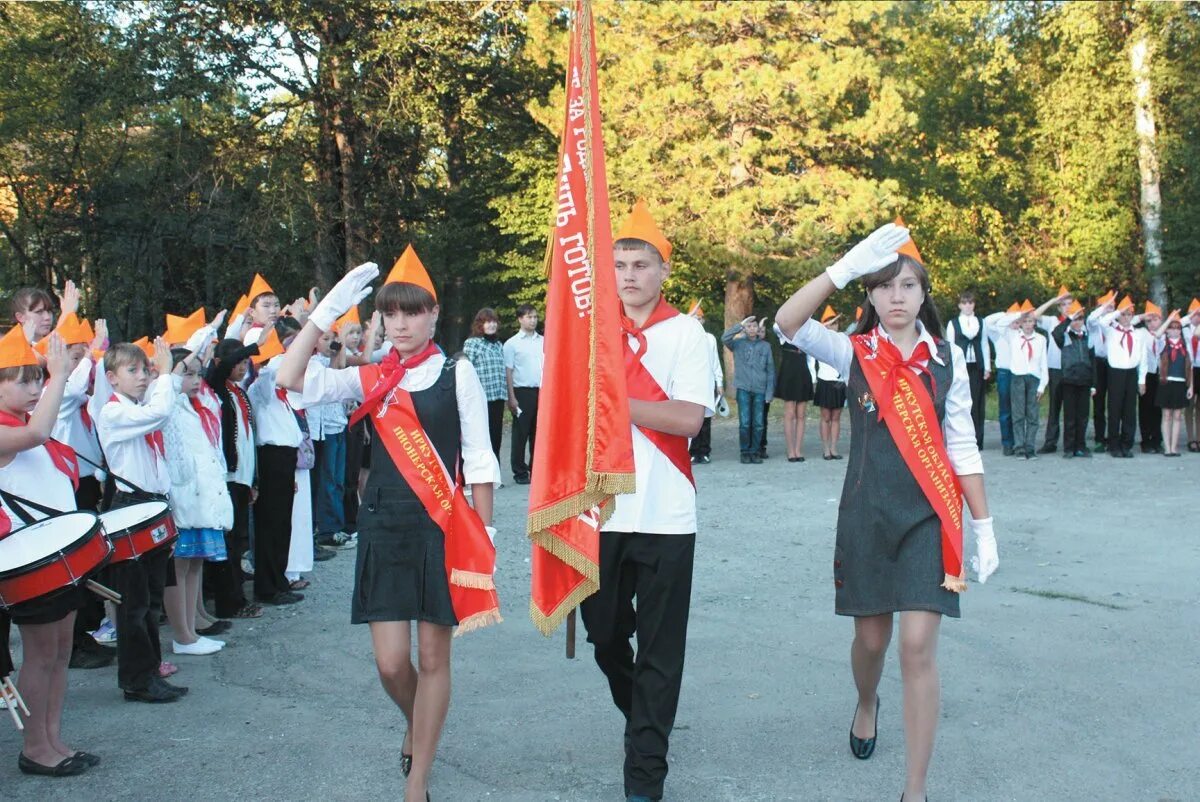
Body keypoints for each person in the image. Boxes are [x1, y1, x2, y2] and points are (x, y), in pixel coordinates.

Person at [774, 222, 997, 802]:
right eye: (883, 286)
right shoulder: (851, 350)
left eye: (907, 285)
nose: (896, 297)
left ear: (925, 294)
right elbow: (787, 323)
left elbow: (963, 446)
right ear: (869, 296)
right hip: (866, 515)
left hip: (928, 519)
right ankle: (866, 701)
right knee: (872, 642)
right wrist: (840, 269)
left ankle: (915, 791)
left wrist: (984, 524)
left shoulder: (948, 362)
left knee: (917, 646)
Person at [275, 250, 500, 802]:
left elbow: (480, 461)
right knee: (392, 662)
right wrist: (325, 312)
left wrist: (484, 540)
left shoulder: (458, 372)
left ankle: (418, 777)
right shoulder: (370, 376)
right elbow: (289, 376)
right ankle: (417, 720)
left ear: (432, 315)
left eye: (412, 313)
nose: (401, 324)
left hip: (441, 526)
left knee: (433, 656)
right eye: (391, 314)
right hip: (382, 526)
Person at [577, 201, 710, 802]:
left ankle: (644, 775)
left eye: (640, 264)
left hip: (665, 514)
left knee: (661, 651)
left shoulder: (688, 334)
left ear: (662, 272)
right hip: (599, 513)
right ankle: (644, 720)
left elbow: (686, 419)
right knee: (604, 635)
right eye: (619, 265)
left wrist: (612, 400)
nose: (628, 275)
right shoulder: (587, 334)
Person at [0, 328, 100, 775]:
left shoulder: (21, 423)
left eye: (37, 379)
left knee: (60, 652)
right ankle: (35, 748)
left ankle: (54, 738)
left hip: (59, 559)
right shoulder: (9, 431)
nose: (35, 388)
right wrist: (61, 373)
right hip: (30, 566)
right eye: (22, 381)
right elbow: (41, 432)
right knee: (40, 655)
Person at [95, 338, 190, 702]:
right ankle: (136, 679)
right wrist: (165, 373)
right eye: (132, 371)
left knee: (150, 596)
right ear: (111, 378)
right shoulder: (113, 413)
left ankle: (151, 671)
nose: (142, 377)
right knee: (133, 601)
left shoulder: (136, 406)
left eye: (144, 370)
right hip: (130, 506)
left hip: (150, 505)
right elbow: (159, 413)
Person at [162, 344, 231, 656]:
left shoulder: (197, 404)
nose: (195, 380)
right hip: (182, 497)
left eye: (197, 374)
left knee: (194, 564)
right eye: (187, 373)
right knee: (179, 566)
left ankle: (192, 626)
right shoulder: (168, 404)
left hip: (202, 496)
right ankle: (182, 634)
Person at [245, 323, 305, 605]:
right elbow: (273, 369)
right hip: (272, 457)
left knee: (282, 524)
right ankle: (267, 586)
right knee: (271, 525)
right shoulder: (261, 386)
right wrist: (272, 348)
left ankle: (279, 580)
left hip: (284, 458)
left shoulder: (278, 391)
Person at [204, 338, 263, 619]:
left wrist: (253, 481)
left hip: (241, 476)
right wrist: (254, 344)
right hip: (227, 476)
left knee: (239, 540)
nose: (243, 366)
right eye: (238, 362)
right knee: (229, 541)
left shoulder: (239, 391)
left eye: (245, 362)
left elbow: (249, 438)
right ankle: (229, 602)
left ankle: (237, 597)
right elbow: (219, 367)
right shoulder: (216, 388)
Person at [1088, 297, 1150, 458]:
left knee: (1129, 411)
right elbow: (1099, 321)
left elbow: (1142, 357)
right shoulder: (1111, 330)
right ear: (1118, 316)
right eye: (1123, 314)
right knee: (1114, 409)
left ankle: (1126, 444)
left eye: (1129, 314)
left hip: (1131, 372)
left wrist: (1141, 380)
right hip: (1115, 372)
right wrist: (1116, 311)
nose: (1126, 317)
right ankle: (1114, 444)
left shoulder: (1138, 334)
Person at [722, 315, 775, 464]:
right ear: (745, 328)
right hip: (743, 388)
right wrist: (740, 325)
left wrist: (769, 392)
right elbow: (725, 338)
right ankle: (744, 452)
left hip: (760, 389)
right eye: (749, 326)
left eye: (754, 326)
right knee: (745, 422)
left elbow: (770, 370)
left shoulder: (765, 346)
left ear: (758, 329)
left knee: (758, 423)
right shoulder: (738, 344)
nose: (752, 329)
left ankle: (755, 451)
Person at [944, 291, 990, 449]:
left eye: (970, 303)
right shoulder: (954, 323)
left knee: (977, 403)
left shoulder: (981, 322)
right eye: (964, 303)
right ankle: (961, 438)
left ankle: (978, 439)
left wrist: (987, 367)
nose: (968, 306)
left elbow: (984, 344)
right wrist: (950, 368)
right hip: (960, 366)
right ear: (960, 306)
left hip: (977, 365)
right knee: (960, 401)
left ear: (974, 305)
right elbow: (949, 346)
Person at [1051, 302, 1096, 458]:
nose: (1078, 322)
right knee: (1070, 416)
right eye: (1075, 319)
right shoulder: (1065, 336)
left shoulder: (1088, 338)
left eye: (1080, 318)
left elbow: (1093, 361)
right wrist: (1068, 319)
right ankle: (1069, 447)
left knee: (1083, 416)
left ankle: (1081, 446)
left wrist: (1093, 384)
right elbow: (1055, 332)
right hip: (1069, 380)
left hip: (1084, 380)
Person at [504, 303, 543, 484]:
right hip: (521, 391)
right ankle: (519, 471)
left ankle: (536, 469)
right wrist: (511, 396)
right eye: (529, 317)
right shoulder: (512, 344)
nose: (533, 320)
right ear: (520, 319)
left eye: (535, 317)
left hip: (541, 391)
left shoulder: (543, 341)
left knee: (539, 433)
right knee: (521, 433)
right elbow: (509, 371)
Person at [462, 308, 507, 459]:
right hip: (480, 399)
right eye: (487, 322)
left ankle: (496, 476)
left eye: (494, 321)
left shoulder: (498, 345)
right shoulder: (472, 343)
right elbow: (465, 370)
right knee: (482, 438)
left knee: (496, 438)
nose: (491, 325)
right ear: (480, 324)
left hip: (498, 398)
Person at [1006, 308, 1049, 459]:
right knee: (1018, 414)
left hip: (1034, 378)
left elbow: (1044, 363)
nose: (1028, 324)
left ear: (1035, 322)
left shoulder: (1041, 339)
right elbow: (998, 323)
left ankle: (1030, 447)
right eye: (1024, 321)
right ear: (1020, 323)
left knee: (1033, 415)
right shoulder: (1013, 336)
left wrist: (1043, 385)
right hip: (1018, 377)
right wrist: (1018, 316)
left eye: (1030, 321)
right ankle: (1019, 448)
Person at [1035, 289, 1074, 454]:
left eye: (1069, 304)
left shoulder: (1077, 322)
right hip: (1056, 368)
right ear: (1059, 308)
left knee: (1071, 408)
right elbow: (1035, 315)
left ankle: (1070, 443)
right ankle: (1050, 442)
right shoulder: (1052, 321)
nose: (1067, 307)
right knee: (1054, 407)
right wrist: (1053, 300)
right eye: (1063, 304)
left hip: (1071, 369)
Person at [775, 311, 815, 462]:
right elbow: (776, 323)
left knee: (801, 414)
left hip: (803, 372)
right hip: (789, 372)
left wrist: (813, 378)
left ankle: (799, 449)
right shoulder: (782, 333)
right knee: (790, 413)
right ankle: (790, 450)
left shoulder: (805, 335)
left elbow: (811, 358)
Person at [686, 301, 723, 465]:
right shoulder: (685, 338)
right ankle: (693, 451)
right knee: (692, 418)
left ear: (704, 321)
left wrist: (719, 382)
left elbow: (715, 361)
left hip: (707, 384)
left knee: (706, 419)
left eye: (700, 319)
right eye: (694, 318)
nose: (697, 322)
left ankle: (705, 451)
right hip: (690, 384)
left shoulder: (710, 339)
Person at [812, 306, 847, 460]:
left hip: (839, 381)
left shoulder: (842, 339)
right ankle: (825, 448)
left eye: (835, 323)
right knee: (825, 416)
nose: (833, 325)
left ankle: (834, 448)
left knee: (836, 417)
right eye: (830, 323)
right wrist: (825, 325)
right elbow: (815, 329)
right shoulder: (819, 339)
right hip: (824, 380)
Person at [983, 303, 1019, 455]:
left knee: (1018, 409)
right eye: (1013, 320)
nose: (1015, 323)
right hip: (1004, 372)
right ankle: (1007, 442)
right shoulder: (998, 333)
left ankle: (1019, 441)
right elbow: (987, 321)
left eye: (1017, 320)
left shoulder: (1022, 333)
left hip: (1019, 373)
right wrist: (1007, 314)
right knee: (1005, 409)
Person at [1157, 313, 1193, 457]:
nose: (1175, 330)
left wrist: (1191, 387)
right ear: (1168, 329)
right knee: (1166, 415)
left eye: (1178, 328)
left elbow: (1190, 367)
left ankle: (1174, 447)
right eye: (1172, 327)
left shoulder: (1185, 344)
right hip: (1167, 382)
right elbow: (1158, 333)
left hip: (1181, 383)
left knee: (1177, 416)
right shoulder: (1163, 343)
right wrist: (1170, 318)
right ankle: (1167, 448)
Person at [1137, 302, 1164, 454]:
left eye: (1154, 320)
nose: (1152, 323)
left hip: (1160, 374)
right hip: (1146, 374)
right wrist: (1142, 317)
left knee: (1158, 407)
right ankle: (1145, 440)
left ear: (1160, 320)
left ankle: (1157, 439)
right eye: (1148, 320)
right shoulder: (1141, 333)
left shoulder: (1166, 333)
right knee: (1145, 407)